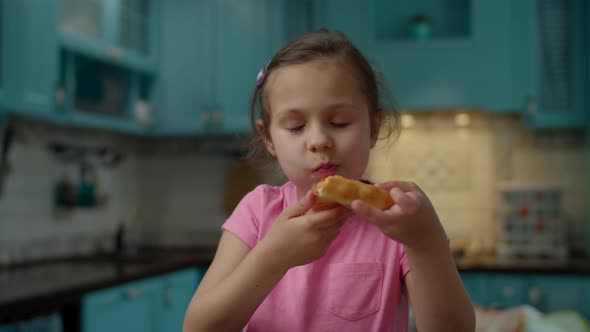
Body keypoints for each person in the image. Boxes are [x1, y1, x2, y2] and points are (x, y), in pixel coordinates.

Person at [183, 29, 475, 332]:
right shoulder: (257, 212)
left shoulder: (395, 221)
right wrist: (273, 258)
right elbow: (198, 328)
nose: (319, 140)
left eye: (339, 122)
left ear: (373, 128)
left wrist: (426, 243)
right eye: (296, 127)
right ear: (268, 137)